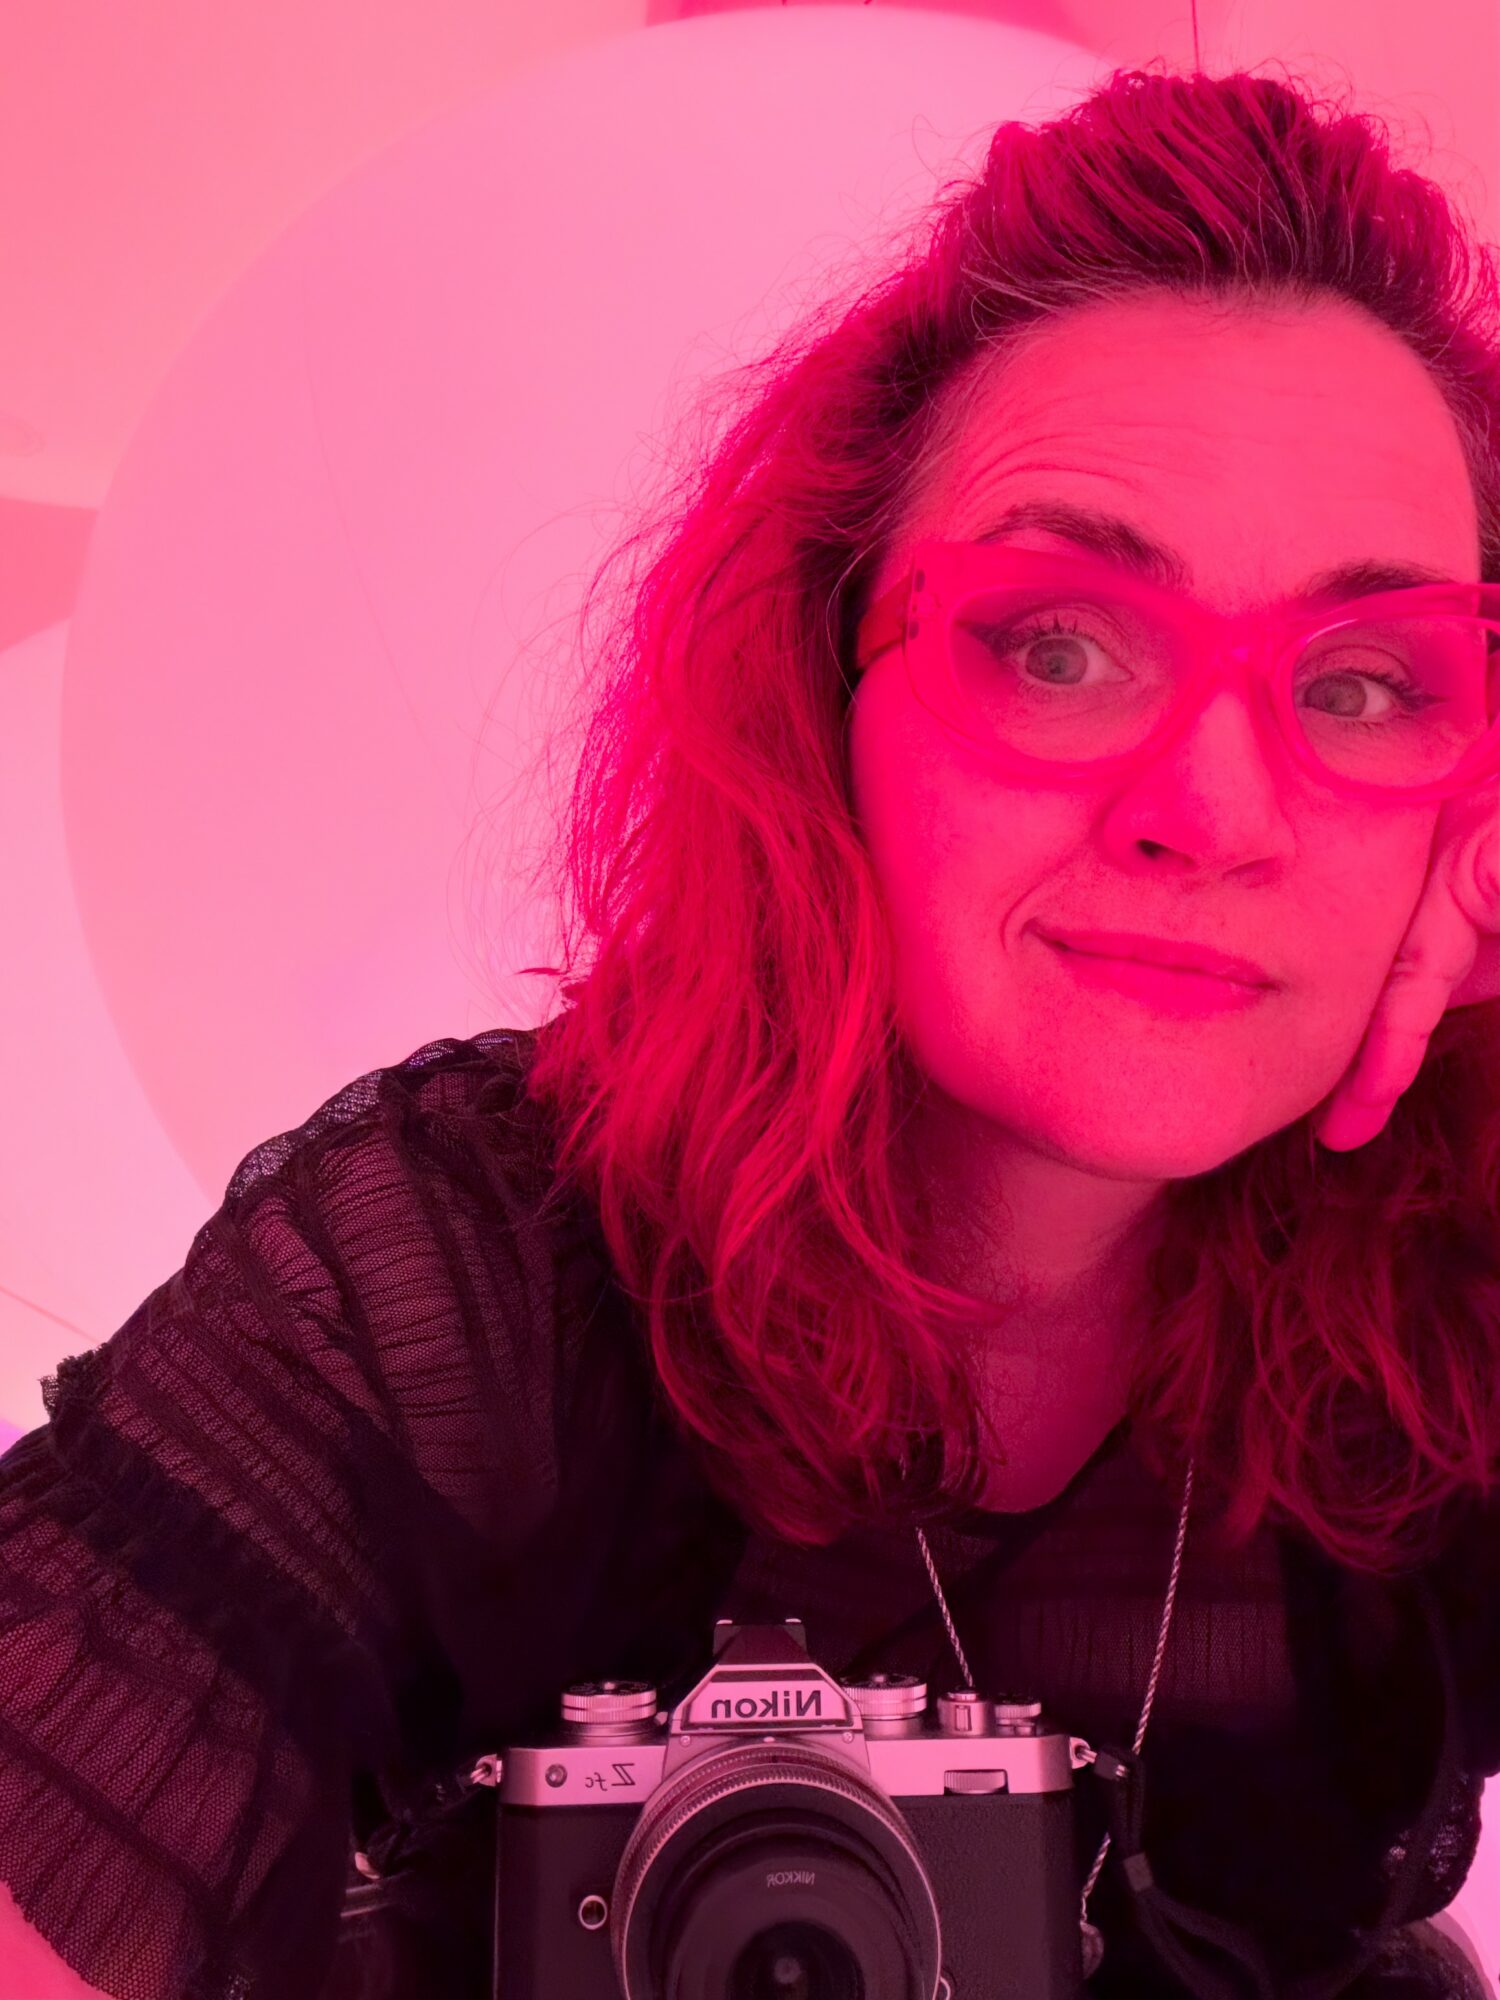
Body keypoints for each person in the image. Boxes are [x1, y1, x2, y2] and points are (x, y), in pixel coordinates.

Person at [2, 60, 1499, 2000]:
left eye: (1366, 682)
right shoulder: (470, 1284)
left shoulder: (1463, 1291)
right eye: (1058, 643)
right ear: (824, 674)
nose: (1212, 808)